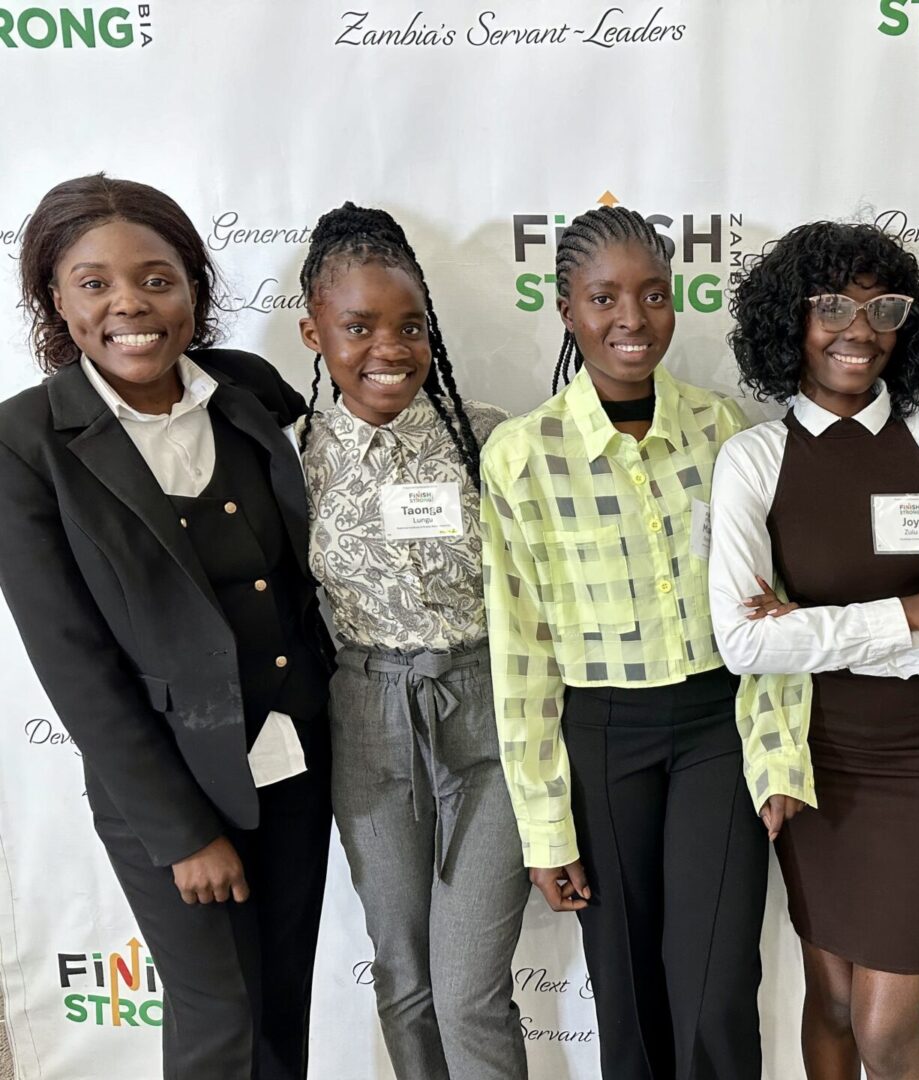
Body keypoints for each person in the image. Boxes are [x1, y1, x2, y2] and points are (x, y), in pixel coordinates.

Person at [0, 174, 332, 1079]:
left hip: (296, 762)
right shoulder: (26, 443)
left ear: (193, 287)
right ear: (56, 301)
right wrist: (183, 833)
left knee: (280, 1015)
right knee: (221, 1026)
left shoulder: (247, 389)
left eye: (156, 279)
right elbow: (75, 666)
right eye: (94, 283)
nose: (130, 304)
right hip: (172, 789)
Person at [480, 205, 807, 1080]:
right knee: (625, 990)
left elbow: (772, 603)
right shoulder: (520, 456)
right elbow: (522, 652)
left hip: (716, 731)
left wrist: (778, 753)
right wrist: (545, 826)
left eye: (654, 295)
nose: (633, 318)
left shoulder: (725, 430)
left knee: (716, 986)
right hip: (601, 737)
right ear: (566, 309)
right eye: (604, 298)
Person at [708, 220, 919, 1080]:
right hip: (810, 756)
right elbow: (744, 640)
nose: (860, 330)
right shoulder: (753, 458)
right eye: (832, 308)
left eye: (884, 309)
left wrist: (812, 630)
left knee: (886, 1030)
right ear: (791, 321)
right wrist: (916, 612)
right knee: (834, 1003)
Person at [295, 203, 527, 1079]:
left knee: (469, 989)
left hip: (490, 714)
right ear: (315, 333)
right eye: (359, 327)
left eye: (410, 327)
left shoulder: (490, 438)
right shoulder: (293, 455)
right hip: (368, 716)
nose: (388, 349)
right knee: (403, 976)